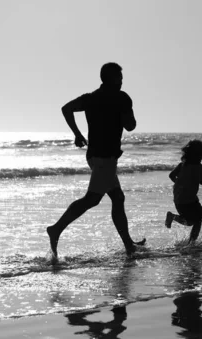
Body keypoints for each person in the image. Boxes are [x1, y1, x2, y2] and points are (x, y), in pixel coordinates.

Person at [47, 62, 144, 264]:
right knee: (92, 199)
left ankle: (128, 245)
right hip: (104, 158)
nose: (121, 81)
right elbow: (131, 126)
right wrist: (125, 110)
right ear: (111, 78)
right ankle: (56, 229)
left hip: (97, 156)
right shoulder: (121, 98)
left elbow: (66, 109)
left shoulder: (90, 98)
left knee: (118, 198)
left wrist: (77, 134)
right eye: (119, 77)